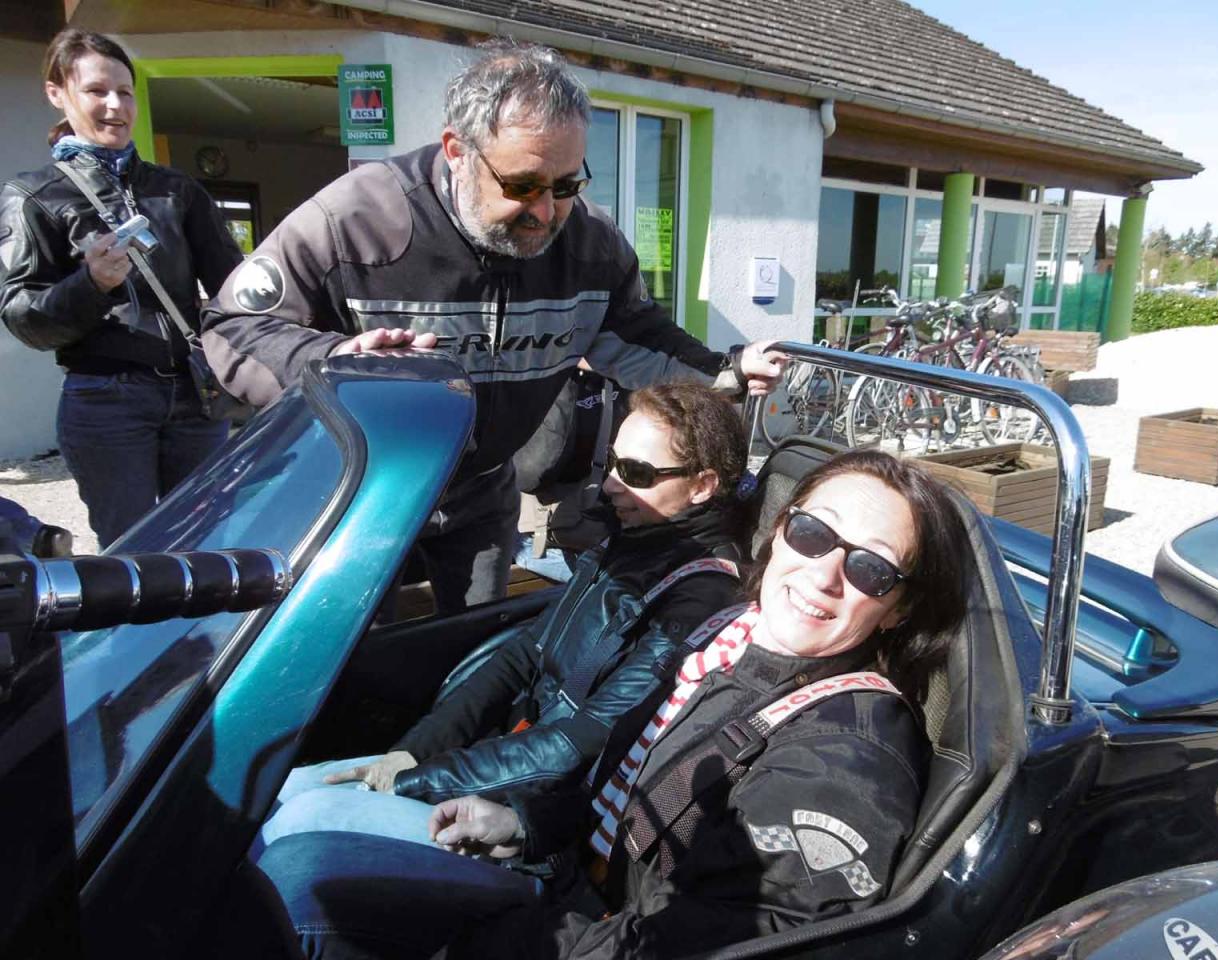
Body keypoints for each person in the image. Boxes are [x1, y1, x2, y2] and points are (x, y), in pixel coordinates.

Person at [248, 449, 974, 959]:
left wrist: (487, 945)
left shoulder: (841, 754)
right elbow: (635, 789)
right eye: (813, 533)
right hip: (565, 878)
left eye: (871, 568)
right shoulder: (732, 637)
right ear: (780, 530)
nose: (824, 574)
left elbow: (726, 942)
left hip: (582, 933)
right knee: (286, 839)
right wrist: (526, 822)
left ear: (900, 609)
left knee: (300, 890)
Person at [199, 39, 784, 616]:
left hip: (482, 492)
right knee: (349, 648)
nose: (546, 212)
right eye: (523, 185)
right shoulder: (354, 220)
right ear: (458, 151)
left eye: (566, 185)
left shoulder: (590, 243)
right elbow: (233, 327)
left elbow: (635, 332)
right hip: (360, 492)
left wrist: (729, 369)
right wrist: (341, 365)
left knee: (473, 640)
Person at [256, 381, 749, 852]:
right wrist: (416, 750)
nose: (610, 485)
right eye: (613, 462)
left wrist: (414, 781)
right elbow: (524, 653)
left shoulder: (698, 599)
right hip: (502, 762)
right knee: (283, 790)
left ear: (702, 485)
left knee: (303, 816)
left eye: (636, 473)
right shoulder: (630, 544)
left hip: (537, 818)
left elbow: (581, 742)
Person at [0, 28, 243, 547]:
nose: (115, 106)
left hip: (195, 395)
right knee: (131, 553)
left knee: (206, 544)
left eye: (125, 92)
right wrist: (91, 285)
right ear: (57, 93)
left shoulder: (177, 190)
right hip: (107, 400)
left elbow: (234, 289)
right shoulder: (33, 196)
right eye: (96, 91)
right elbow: (23, 317)